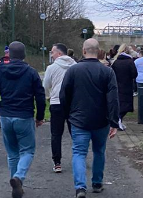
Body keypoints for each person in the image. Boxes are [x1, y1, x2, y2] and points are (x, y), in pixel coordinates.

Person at [60, 38, 119, 198]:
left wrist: (67, 115)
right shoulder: (108, 72)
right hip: (101, 120)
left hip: (79, 119)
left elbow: (64, 95)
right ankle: (97, 183)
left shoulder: (73, 71)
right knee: (99, 151)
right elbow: (113, 98)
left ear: (84, 51)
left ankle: (80, 187)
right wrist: (114, 121)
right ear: (99, 51)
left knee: (79, 152)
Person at [0, 41, 45, 198]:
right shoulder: (31, 72)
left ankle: (16, 183)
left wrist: (0, 106)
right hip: (24, 116)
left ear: (8, 55)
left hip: (6, 116)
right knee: (27, 150)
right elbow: (40, 96)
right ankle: (19, 177)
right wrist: (39, 117)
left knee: (12, 153)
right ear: (24, 55)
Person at [43, 43, 76, 173]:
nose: (51, 55)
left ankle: (57, 162)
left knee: (56, 134)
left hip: (56, 102)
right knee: (76, 132)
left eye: (52, 52)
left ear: (59, 53)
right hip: (72, 103)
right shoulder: (75, 66)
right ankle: (79, 157)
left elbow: (45, 84)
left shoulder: (51, 68)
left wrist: (48, 96)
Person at [111, 43, 138, 130]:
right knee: (126, 105)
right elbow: (134, 74)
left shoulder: (115, 62)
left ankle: (119, 120)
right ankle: (119, 119)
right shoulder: (130, 61)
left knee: (119, 103)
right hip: (127, 85)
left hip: (117, 85)